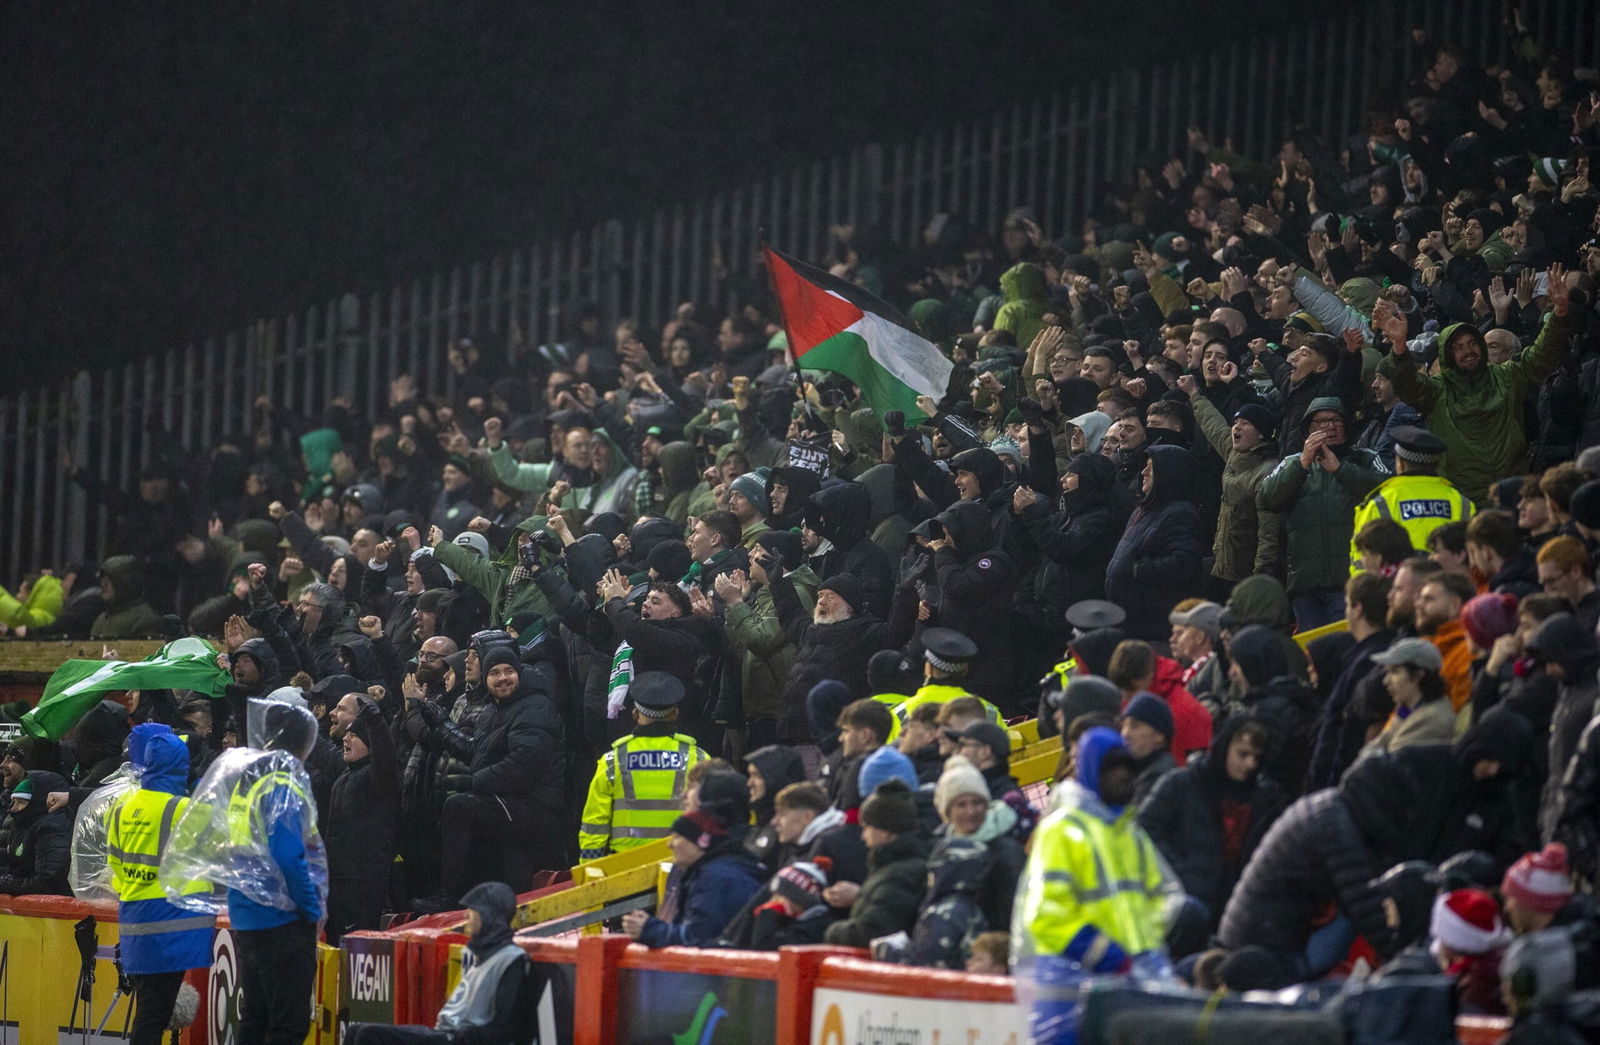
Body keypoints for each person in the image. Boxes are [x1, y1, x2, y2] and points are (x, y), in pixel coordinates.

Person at [161, 700, 326, 1045]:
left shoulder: (247, 785)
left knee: (255, 1018)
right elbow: (288, 855)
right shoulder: (283, 785)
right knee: (288, 1024)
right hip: (281, 921)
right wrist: (311, 909)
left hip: (246, 916)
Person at [1014, 727, 1176, 1043]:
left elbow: (1162, 897)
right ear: (1091, 771)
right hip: (1068, 991)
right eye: (1111, 768)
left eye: (1127, 768)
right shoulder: (1062, 830)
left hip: (1125, 986)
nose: (1123, 777)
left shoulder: (1129, 834)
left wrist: (1145, 953)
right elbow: (1046, 915)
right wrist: (1105, 952)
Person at [1375, 269, 1574, 505]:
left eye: (1472, 343)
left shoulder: (1507, 375)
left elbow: (1541, 356)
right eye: (1458, 347)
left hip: (1514, 496)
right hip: (1463, 502)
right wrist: (1399, 346)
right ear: (1447, 355)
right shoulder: (1436, 390)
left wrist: (1560, 313)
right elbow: (1406, 385)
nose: (1468, 351)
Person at [93, 724, 215, 1045]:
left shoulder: (120, 808)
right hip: (170, 927)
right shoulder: (181, 809)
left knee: (149, 1011)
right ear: (180, 766)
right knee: (154, 1016)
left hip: (135, 922)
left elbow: (116, 866)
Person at [1139, 718, 1287, 955]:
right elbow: (1144, 830)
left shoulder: (1265, 799)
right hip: (1181, 909)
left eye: (1256, 758)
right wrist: (1179, 872)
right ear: (1225, 746)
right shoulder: (1182, 784)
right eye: (1243, 754)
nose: (1250, 764)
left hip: (1232, 913)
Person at [1257, 396, 1389, 630]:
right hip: (1305, 583)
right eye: (1320, 422)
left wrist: (1341, 470)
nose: (1329, 426)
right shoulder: (1292, 462)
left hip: (1352, 582)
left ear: (1346, 427)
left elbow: (1386, 489)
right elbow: (1267, 498)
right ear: (1308, 429)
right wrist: (1302, 463)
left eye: (1335, 420)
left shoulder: (1365, 457)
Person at [344, 882, 534, 1044]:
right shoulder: (481, 954)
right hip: (446, 1033)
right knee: (356, 1032)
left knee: (365, 1035)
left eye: (474, 910)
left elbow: (503, 1029)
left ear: (489, 916)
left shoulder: (511, 959)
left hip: (456, 1038)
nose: (467, 915)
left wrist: (459, 1036)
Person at [623, 770, 765, 947]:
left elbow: (700, 939)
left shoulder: (719, 875)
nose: (684, 795)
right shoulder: (701, 868)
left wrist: (651, 929)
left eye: (693, 788)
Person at [577, 672, 707, 861]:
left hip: (624, 867)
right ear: (675, 714)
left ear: (635, 713)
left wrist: (589, 870)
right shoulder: (698, 760)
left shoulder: (613, 761)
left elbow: (595, 824)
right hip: (681, 865)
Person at [1347, 426, 1474, 573]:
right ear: (1437, 464)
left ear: (1400, 463)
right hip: (1450, 591)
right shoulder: (1461, 501)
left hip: (1397, 591)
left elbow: (1361, 562)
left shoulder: (1380, 502)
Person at [823, 778, 930, 948]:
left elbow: (872, 930)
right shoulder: (889, 869)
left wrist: (831, 931)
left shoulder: (901, 874)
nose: (863, 836)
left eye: (867, 827)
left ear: (886, 831)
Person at [1359, 638, 1456, 759]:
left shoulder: (1431, 719)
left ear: (1419, 674)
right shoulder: (1406, 711)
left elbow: (1384, 767)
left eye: (1394, 671)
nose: (1385, 681)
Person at [0, 770, 72, 896]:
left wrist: (5, 884)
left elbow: (47, 882)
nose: (14, 808)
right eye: (14, 801)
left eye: (21, 802)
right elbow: (17, 867)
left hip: (51, 912)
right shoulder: (21, 824)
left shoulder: (50, 827)